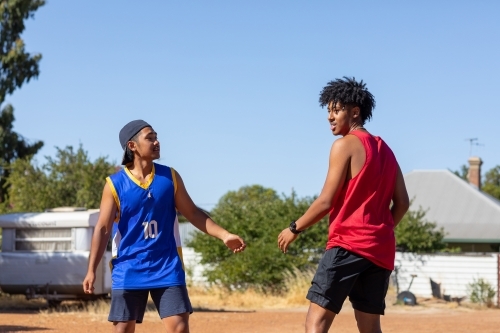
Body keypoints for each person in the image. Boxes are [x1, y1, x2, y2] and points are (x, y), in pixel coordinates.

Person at [83, 120, 246, 333]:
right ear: (132, 146)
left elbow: (193, 213)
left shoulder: (169, 177)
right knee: (122, 329)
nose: (157, 142)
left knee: (179, 328)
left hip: (167, 265)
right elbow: (103, 229)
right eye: (150, 137)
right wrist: (91, 270)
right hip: (129, 267)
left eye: (156, 136)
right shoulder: (115, 184)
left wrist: (224, 235)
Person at [278, 77, 409, 333]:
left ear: (355, 111)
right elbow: (402, 203)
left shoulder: (345, 145)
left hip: (347, 244)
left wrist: (294, 228)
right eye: (328, 111)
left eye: (336, 110)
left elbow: (326, 201)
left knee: (316, 323)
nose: (330, 116)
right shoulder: (388, 151)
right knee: (370, 327)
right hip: (380, 251)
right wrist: (378, 230)